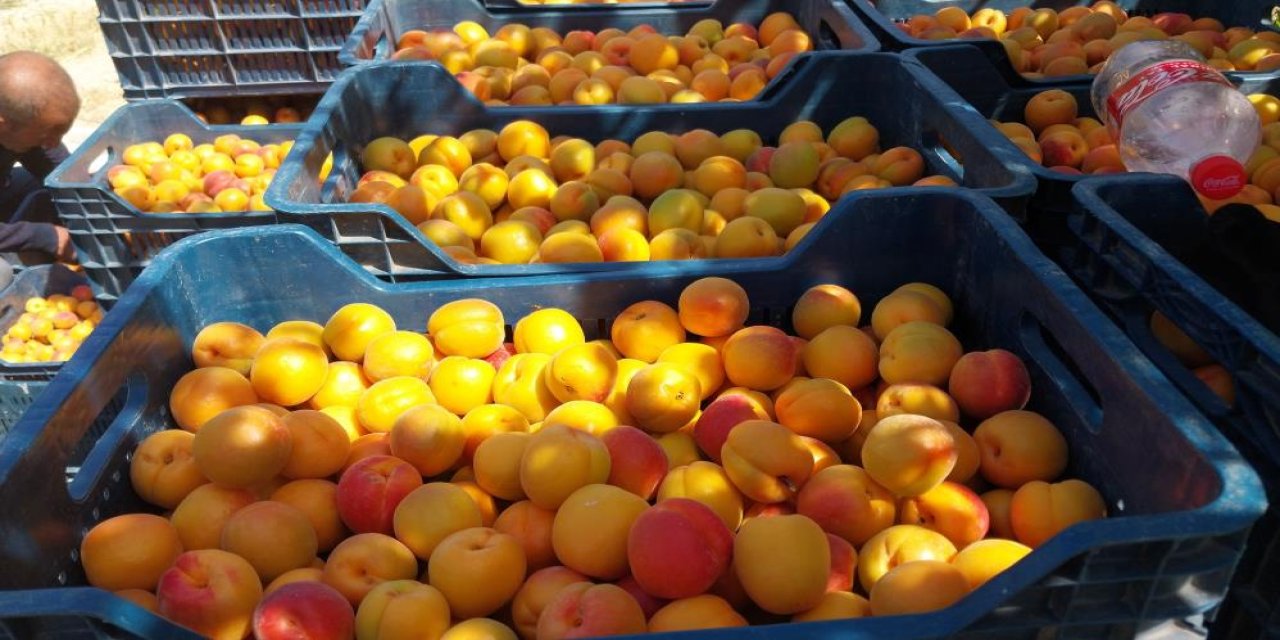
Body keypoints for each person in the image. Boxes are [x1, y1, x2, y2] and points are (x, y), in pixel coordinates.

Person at [0, 51, 79, 261]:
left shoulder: (11, 110)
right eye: (45, 136)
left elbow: (59, 170)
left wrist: (89, 199)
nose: (54, 143)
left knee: (55, 188)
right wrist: (46, 237)